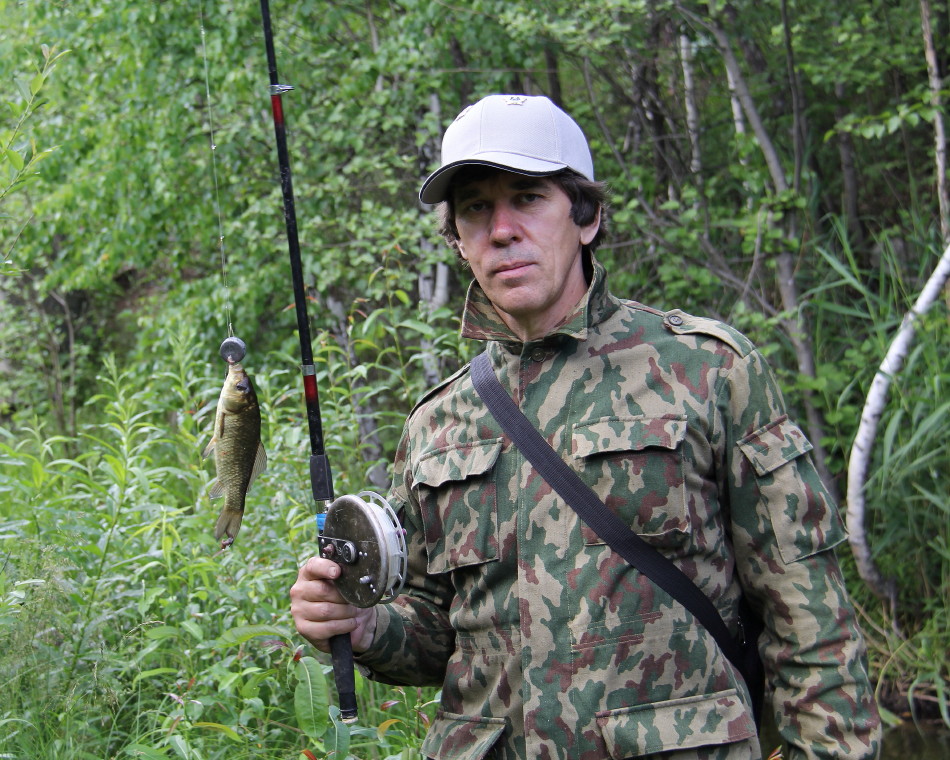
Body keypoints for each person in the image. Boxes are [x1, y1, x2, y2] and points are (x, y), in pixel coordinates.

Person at [290, 94, 882, 760]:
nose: (501, 230)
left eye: (528, 198)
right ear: (457, 238)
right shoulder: (439, 422)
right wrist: (364, 626)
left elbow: (810, 620)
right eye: (476, 208)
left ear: (587, 217)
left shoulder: (706, 370)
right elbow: (440, 630)